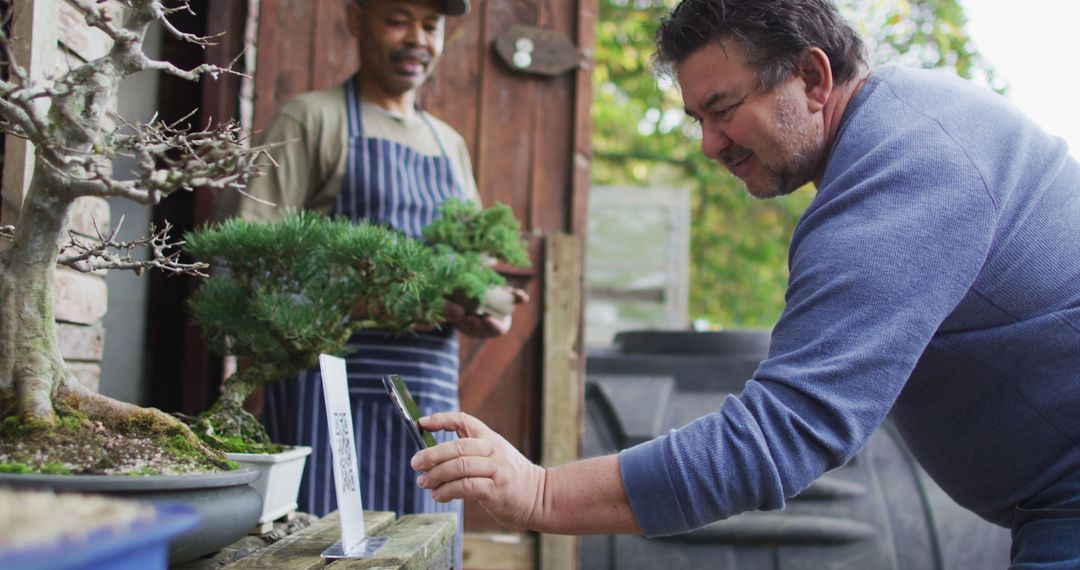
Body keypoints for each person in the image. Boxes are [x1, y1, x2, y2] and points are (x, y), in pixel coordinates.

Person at [409, 0, 1080, 567]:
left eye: (723, 108)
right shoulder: (903, 130)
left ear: (813, 78)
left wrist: (539, 494)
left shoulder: (900, 172)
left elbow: (779, 436)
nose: (709, 144)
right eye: (697, 118)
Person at [213, 0, 522, 566]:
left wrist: (490, 306)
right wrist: (383, 298)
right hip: (325, 386)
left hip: (425, 394)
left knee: (424, 545)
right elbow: (249, 261)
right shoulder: (311, 120)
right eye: (398, 19)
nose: (418, 39)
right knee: (323, 548)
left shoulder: (448, 144)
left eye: (431, 26)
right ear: (356, 20)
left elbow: (479, 272)